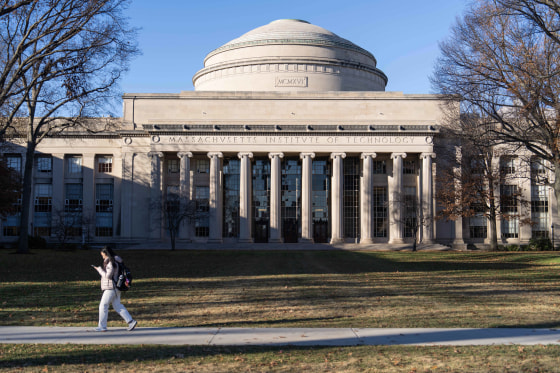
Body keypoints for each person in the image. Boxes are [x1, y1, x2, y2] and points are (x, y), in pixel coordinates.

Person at [92, 247, 137, 332]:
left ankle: (102, 326)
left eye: (103, 255)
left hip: (111, 287)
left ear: (107, 254)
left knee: (103, 305)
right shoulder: (117, 261)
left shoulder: (110, 262)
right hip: (117, 286)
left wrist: (99, 270)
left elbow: (108, 276)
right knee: (117, 305)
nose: (102, 257)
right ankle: (131, 322)